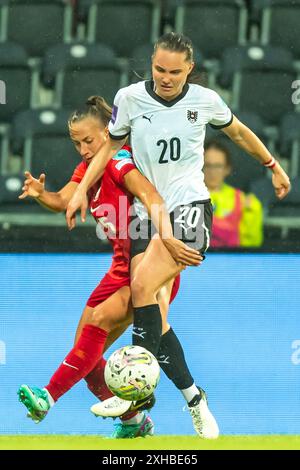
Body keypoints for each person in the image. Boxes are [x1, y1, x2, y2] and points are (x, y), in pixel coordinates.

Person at [65, 32, 290, 437]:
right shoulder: (130, 98)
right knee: (157, 318)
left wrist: (272, 164)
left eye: (174, 71)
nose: (165, 78)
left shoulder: (204, 100)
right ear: (151, 64)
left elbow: (237, 132)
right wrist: (81, 189)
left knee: (143, 284)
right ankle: (194, 398)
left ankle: (135, 397)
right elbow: (109, 147)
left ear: (190, 69)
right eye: (159, 69)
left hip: (188, 208)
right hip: (143, 216)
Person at [17, 96, 205, 439]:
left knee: (98, 327)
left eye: (90, 140)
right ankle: (134, 422)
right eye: (77, 143)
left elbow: (150, 196)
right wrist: (42, 194)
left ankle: (48, 396)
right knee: (84, 357)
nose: (84, 149)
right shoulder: (86, 171)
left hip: (144, 267)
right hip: (117, 270)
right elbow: (63, 200)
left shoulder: (121, 163)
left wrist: (170, 237)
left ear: (108, 132)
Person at [203, 139, 263, 248]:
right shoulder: (186, 198)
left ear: (227, 169)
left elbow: (252, 245)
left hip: (233, 261)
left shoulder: (245, 201)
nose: (212, 171)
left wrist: (251, 213)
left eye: (218, 166)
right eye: (208, 165)